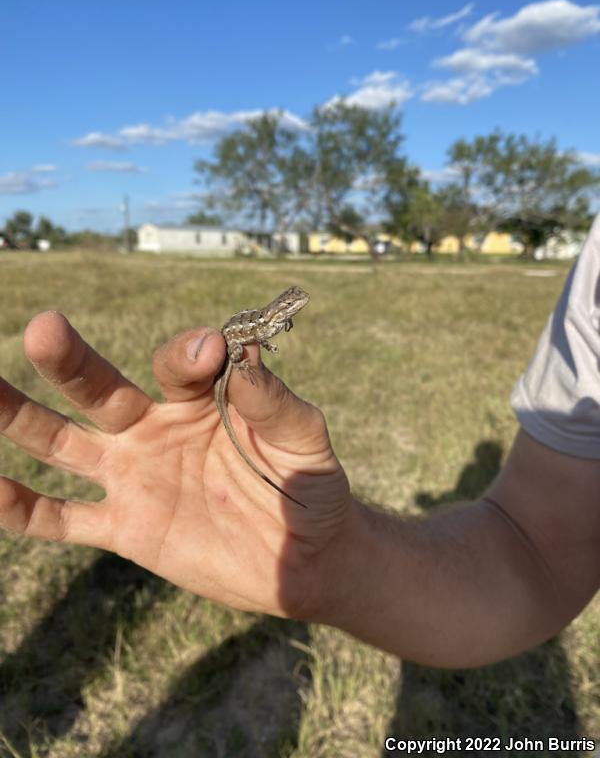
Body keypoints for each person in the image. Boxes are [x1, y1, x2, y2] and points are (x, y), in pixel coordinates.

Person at [0, 217, 599, 669]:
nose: (295, 309)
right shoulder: (259, 327)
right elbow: (533, 549)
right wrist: (336, 563)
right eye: (291, 306)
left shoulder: (272, 323)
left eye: (292, 308)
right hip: (233, 348)